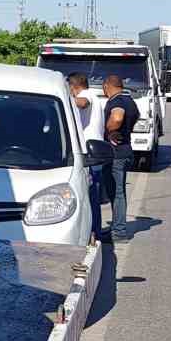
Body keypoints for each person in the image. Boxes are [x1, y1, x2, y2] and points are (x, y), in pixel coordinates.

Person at [95, 75, 139, 243]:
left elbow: (118, 117)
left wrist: (110, 129)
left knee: (118, 193)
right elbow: (133, 119)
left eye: (103, 88)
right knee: (115, 192)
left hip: (116, 154)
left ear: (107, 86)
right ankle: (116, 227)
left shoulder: (117, 101)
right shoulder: (130, 101)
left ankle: (119, 231)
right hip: (125, 150)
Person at [68, 73, 108, 240]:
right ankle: (95, 231)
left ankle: (93, 232)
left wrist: (66, 99)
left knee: (89, 198)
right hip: (96, 152)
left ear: (73, 86)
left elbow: (83, 103)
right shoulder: (96, 96)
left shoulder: (86, 95)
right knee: (93, 198)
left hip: (89, 154)